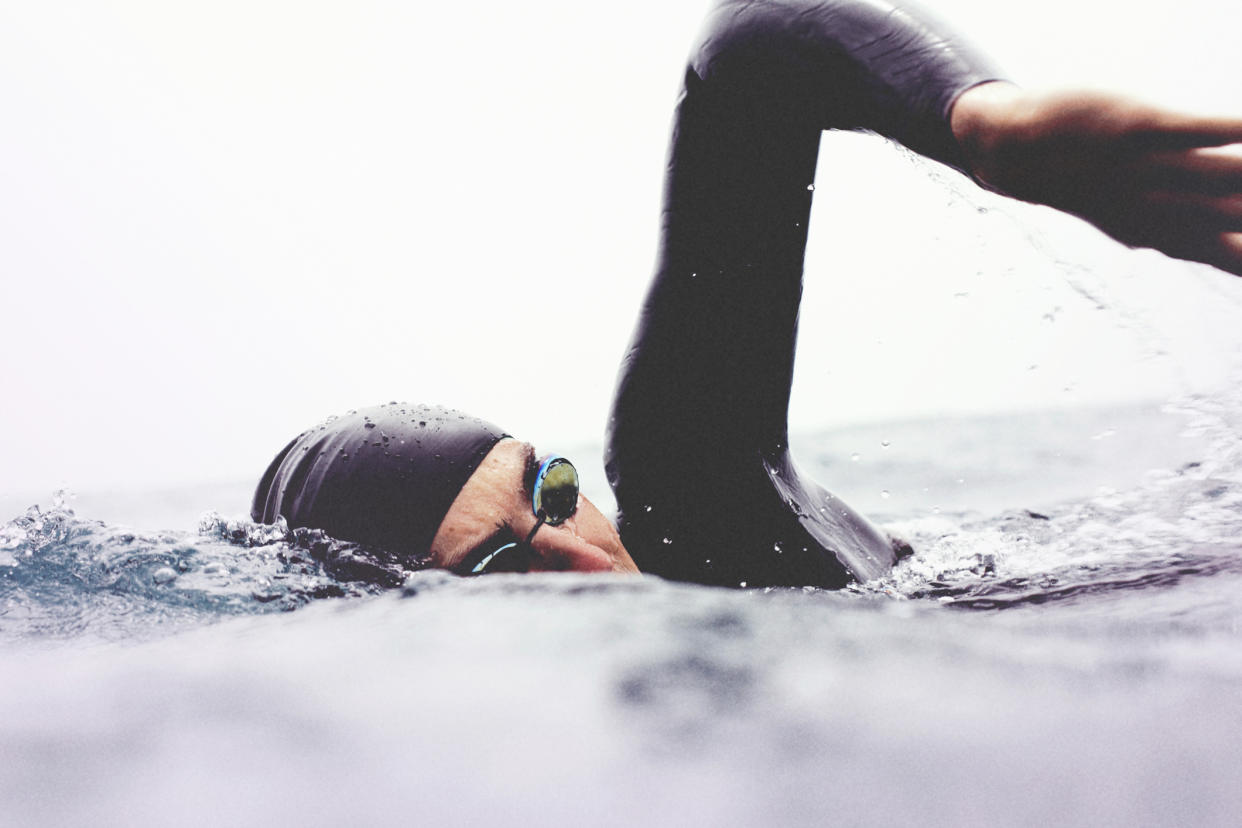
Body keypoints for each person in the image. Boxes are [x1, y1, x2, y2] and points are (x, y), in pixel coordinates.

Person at [253, 0, 1242, 589]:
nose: (590, 560)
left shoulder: (698, 507)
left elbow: (750, 57)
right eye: (501, 570)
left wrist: (977, 120)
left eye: (552, 492)